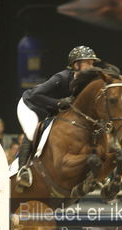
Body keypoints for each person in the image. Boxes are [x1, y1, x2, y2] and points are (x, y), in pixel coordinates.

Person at [16, 46, 101, 186]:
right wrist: (59, 102)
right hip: (31, 106)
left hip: (51, 110)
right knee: (31, 131)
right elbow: (36, 95)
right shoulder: (61, 78)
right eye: (88, 63)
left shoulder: (86, 83)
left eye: (93, 63)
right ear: (76, 64)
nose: (92, 66)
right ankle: (22, 171)